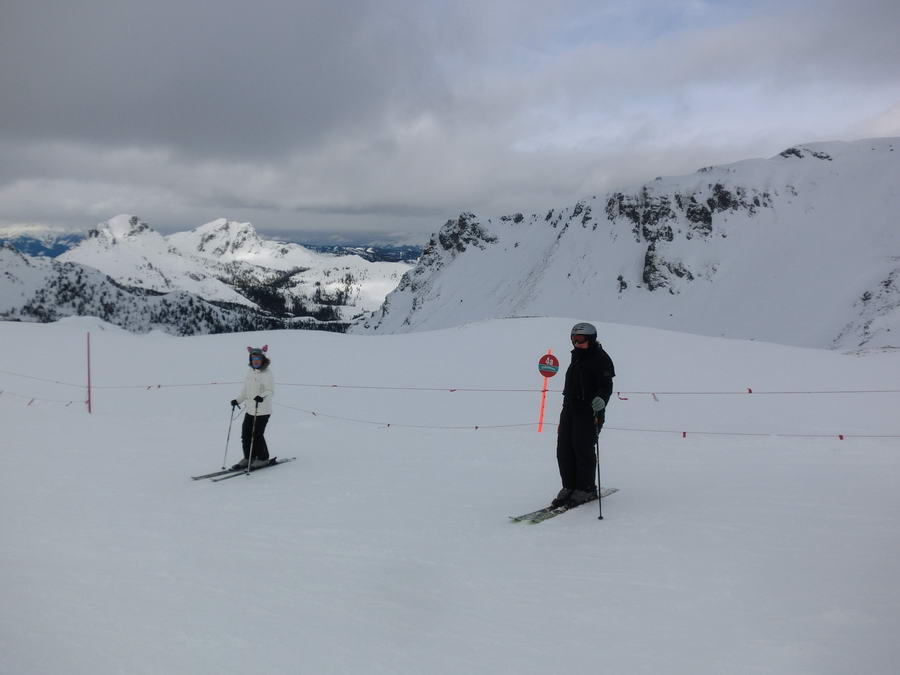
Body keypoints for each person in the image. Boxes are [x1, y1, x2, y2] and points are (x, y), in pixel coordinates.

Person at [552, 322, 615, 507]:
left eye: (580, 340)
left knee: (582, 448)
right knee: (564, 448)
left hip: (590, 411)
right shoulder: (577, 356)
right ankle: (569, 486)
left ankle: (586, 488)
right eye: (573, 340)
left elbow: (606, 386)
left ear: (591, 339)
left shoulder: (601, 358)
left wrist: (601, 399)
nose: (576, 343)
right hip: (570, 409)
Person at [229, 345, 274, 470]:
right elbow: (245, 390)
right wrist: (238, 400)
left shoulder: (267, 374)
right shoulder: (250, 372)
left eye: (258, 358)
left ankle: (263, 458)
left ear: (262, 359)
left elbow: (270, 391)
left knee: (257, 435)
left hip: (262, 411)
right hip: (250, 410)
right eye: (253, 359)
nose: (255, 361)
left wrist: (262, 396)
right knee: (246, 435)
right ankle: (249, 457)